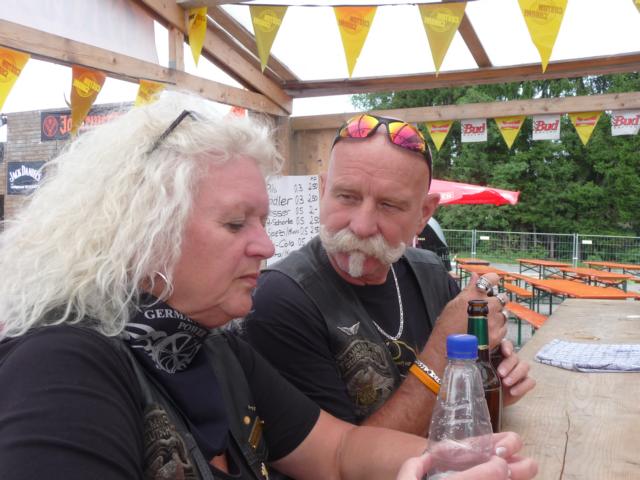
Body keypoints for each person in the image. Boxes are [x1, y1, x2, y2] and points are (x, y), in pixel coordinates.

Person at [0, 95, 537, 480]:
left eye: (262, 220)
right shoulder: (61, 364)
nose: (266, 244)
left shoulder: (211, 347)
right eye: (237, 224)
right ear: (146, 230)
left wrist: (444, 461)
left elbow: (340, 451)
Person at [243, 113, 536, 436]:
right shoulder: (279, 300)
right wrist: (443, 348)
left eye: (389, 205)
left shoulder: (431, 273)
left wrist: (493, 387)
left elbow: (467, 397)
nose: (362, 226)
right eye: (347, 196)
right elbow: (345, 458)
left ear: (424, 213)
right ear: (323, 191)